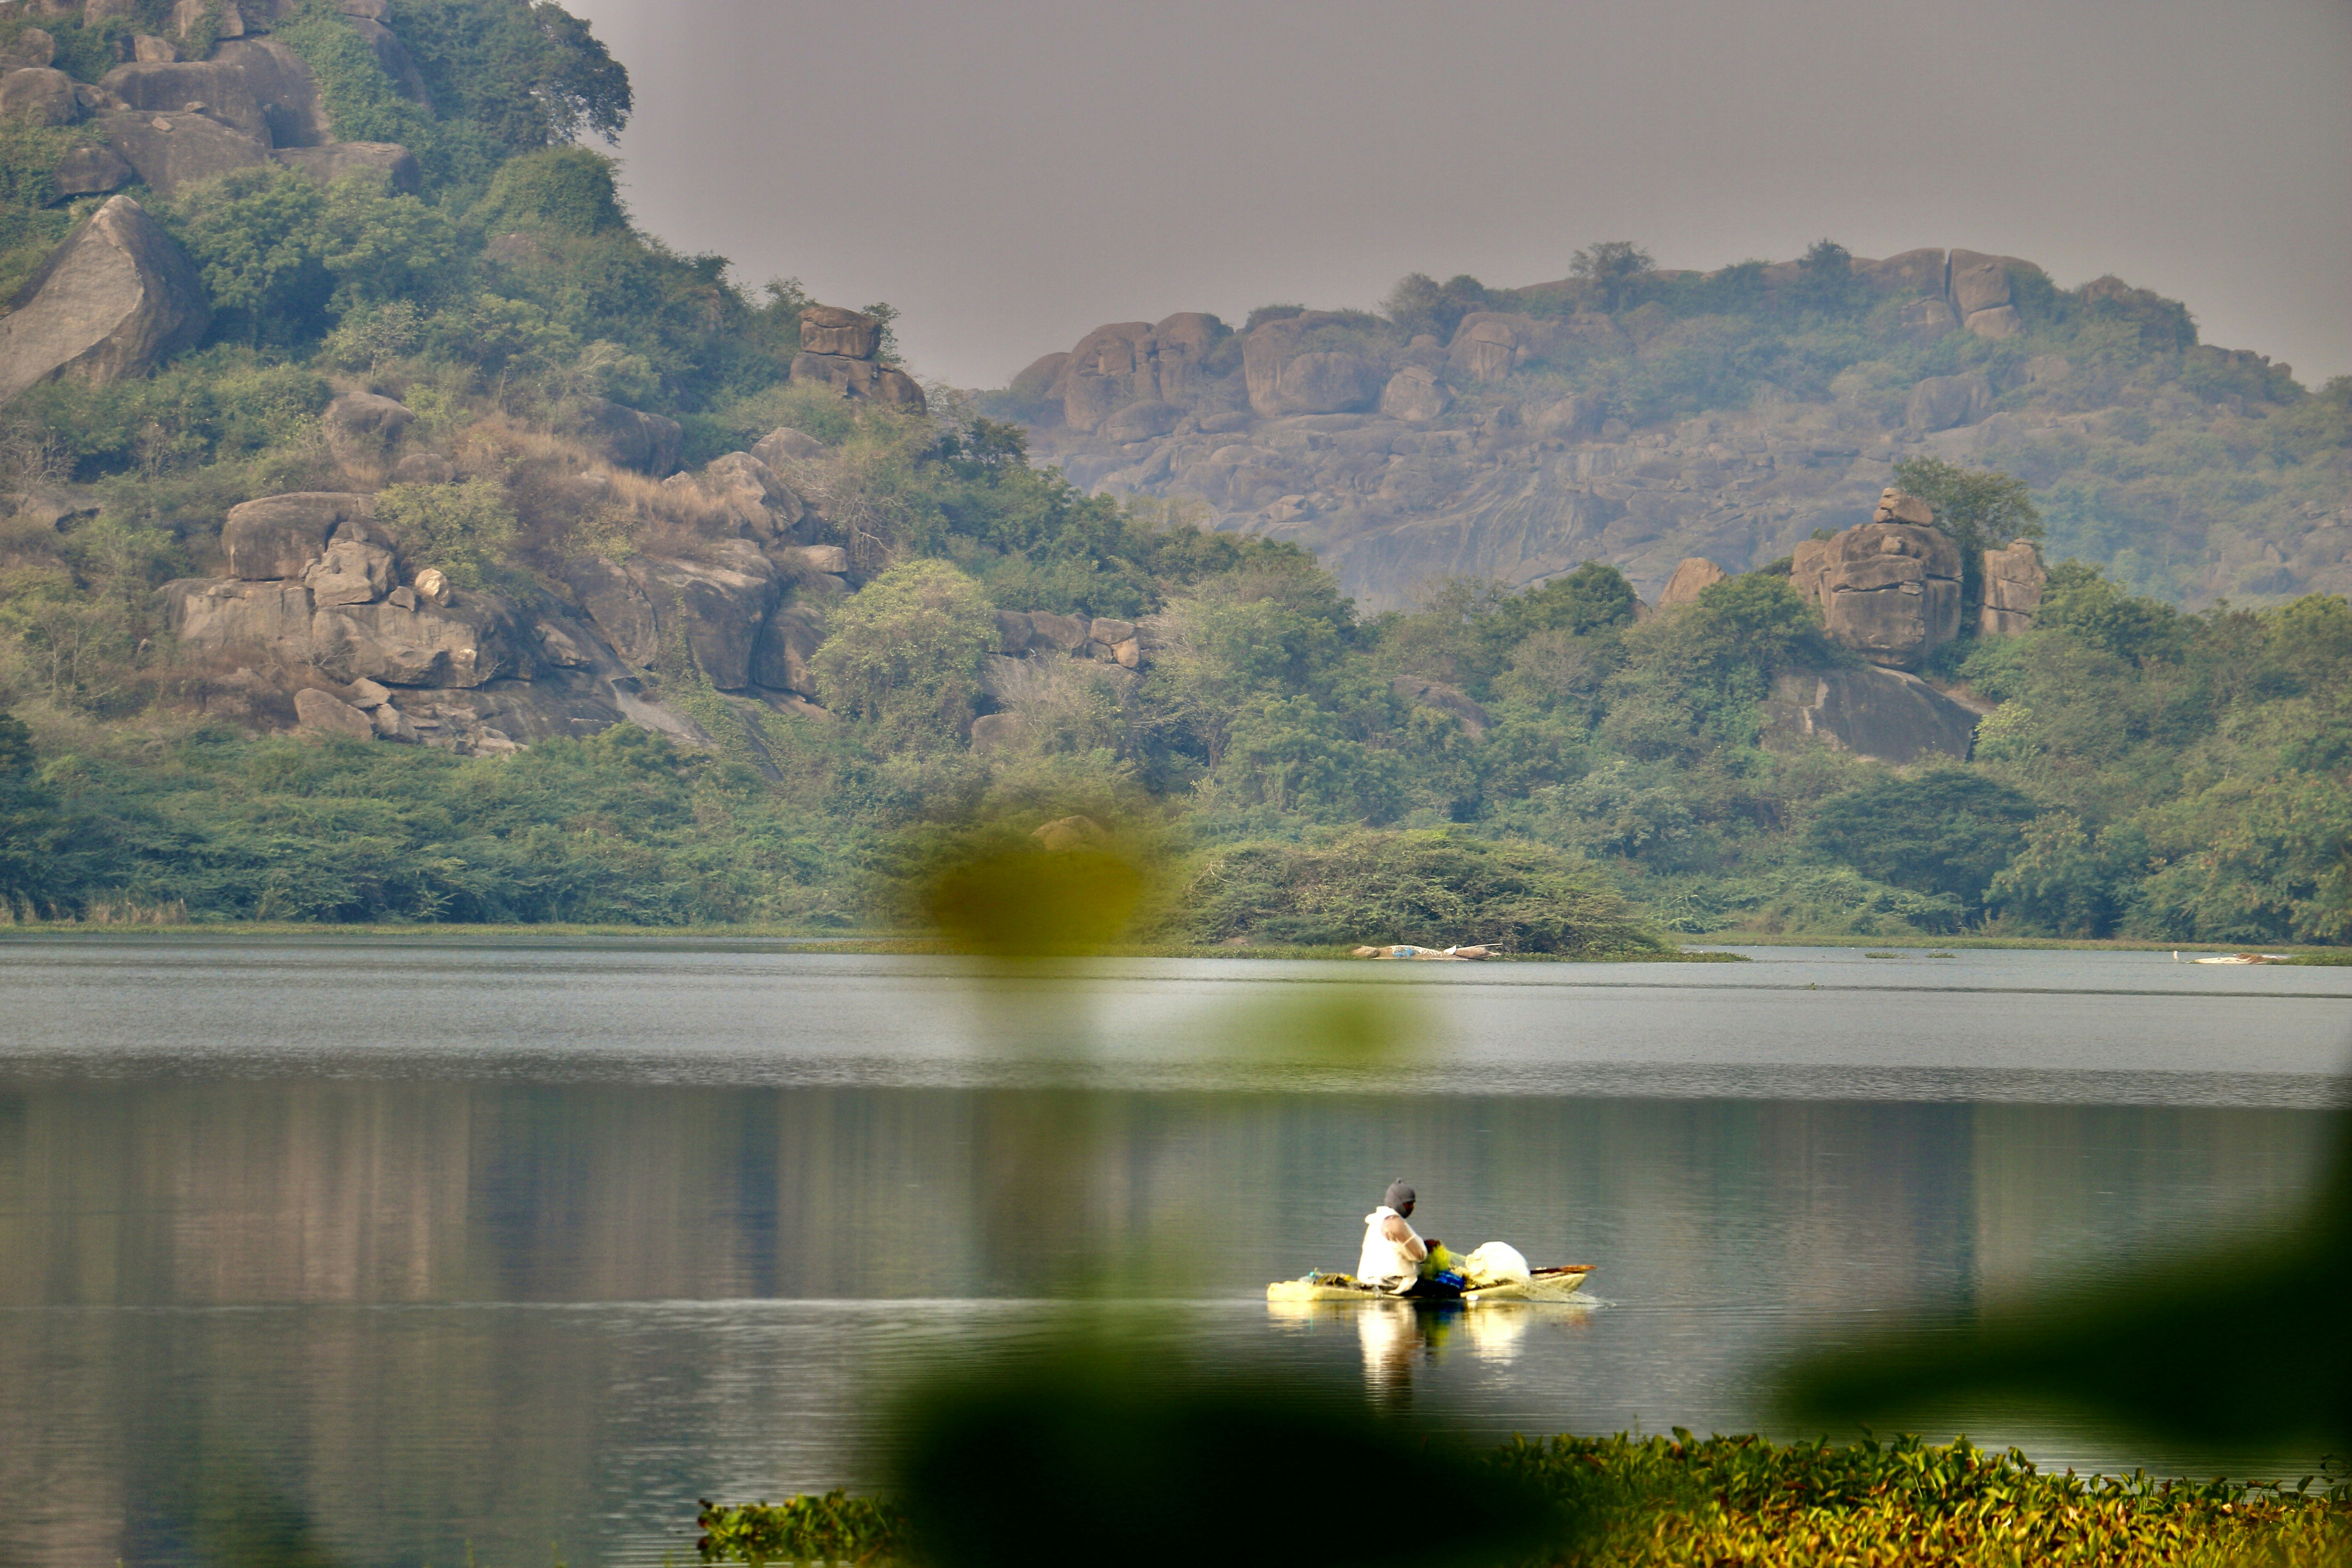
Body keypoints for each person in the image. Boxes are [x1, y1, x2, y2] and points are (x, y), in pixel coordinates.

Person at [1358, 1179, 1461, 1299]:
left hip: (1369, 1279)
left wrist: (1424, 1244)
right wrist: (1427, 1247)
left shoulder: (1377, 1220)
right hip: (1393, 1283)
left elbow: (1399, 1247)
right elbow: (1419, 1255)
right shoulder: (1395, 1223)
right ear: (1398, 1202)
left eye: (1413, 1204)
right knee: (1452, 1292)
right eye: (1409, 1203)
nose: (1412, 1207)